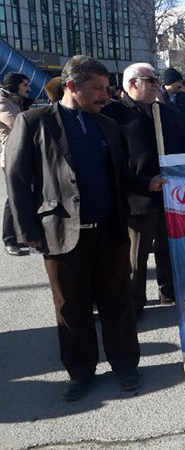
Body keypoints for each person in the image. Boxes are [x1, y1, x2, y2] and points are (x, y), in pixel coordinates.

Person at [5, 55, 165, 401]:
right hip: (61, 233)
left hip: (110, 230)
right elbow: (16, 179)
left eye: (106, 88)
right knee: (71, 308)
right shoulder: (35, 122)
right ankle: (81, 372)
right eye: (97, 88)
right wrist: (26, 230)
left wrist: (147, 184)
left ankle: (125, 364)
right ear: (72, 86)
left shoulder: (106, 125)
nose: (105, 95)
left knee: (117, 303)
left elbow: (120, 175)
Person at [101, 63, 185, 313]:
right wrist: (143, 184)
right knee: (136, 256)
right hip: (138, 198)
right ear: (133, 83)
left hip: (169, 194)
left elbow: (183, 141)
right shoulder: (113, 115)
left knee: (168, 249)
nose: (156, 85)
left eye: (157, 81)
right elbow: (113, 163)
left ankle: (168, 292)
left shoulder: (164, 111)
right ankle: (134, 301)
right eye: (151, 80)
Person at [0, 72, 32, 256]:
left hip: (23, 153)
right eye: (25, 85)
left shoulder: (17, 100)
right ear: (14, 86)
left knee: (24, 195)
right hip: (11, 155)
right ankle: (9, 240)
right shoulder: (2, 102)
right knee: (13, 197)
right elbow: (17, 124)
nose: (29, 88)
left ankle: (21, 236)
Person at [159, 67, 185, 136]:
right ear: (171, 82)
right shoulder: (157, 97)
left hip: (182, 139)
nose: (181, 85)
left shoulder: (184, 99)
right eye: (179, 82)